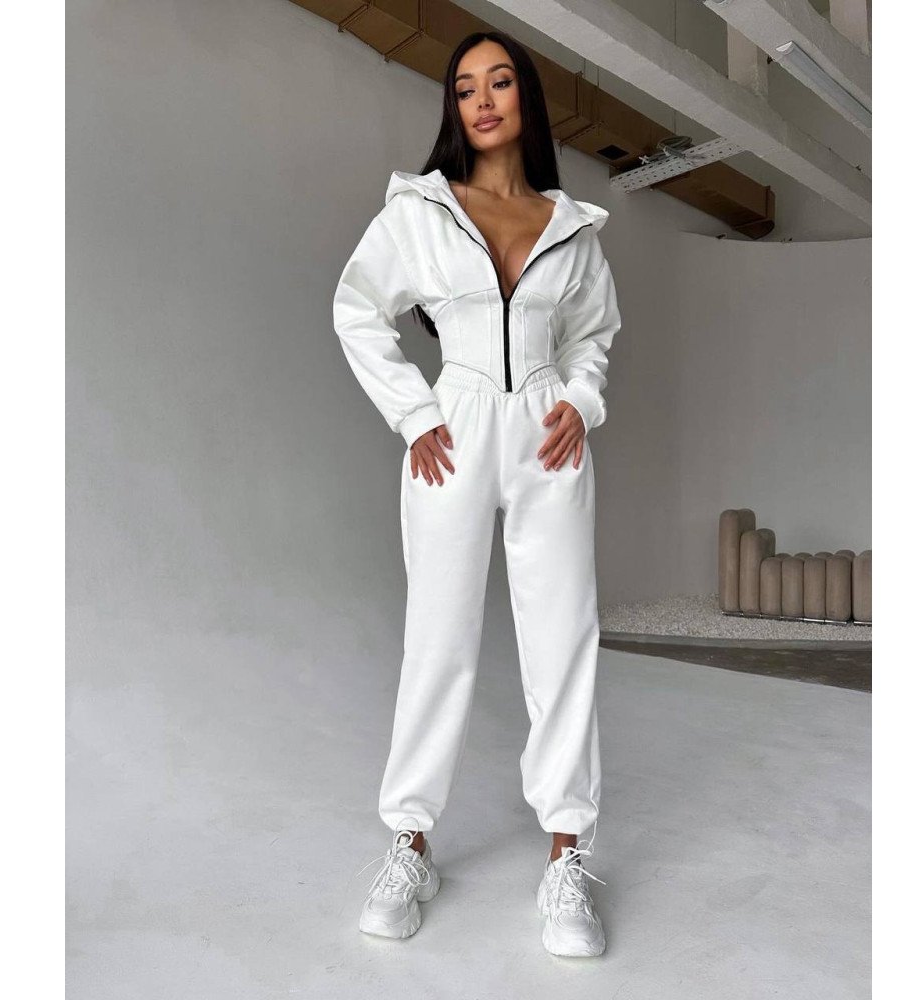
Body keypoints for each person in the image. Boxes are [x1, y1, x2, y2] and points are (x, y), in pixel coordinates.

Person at [333, 29, 621, 958]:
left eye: (500, 82)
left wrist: (580, 401)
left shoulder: (570, 226)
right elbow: (356, 308)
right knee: (438, 638)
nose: (483, 100)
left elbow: (593, 336)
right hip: (453, 430)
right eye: (465, 88)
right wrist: (414, 414)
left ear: (525, 98)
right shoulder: (420, 210)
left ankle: (567, 858)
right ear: (454, 108)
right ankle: (409, 845)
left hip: (546, 434)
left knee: (563, 639)